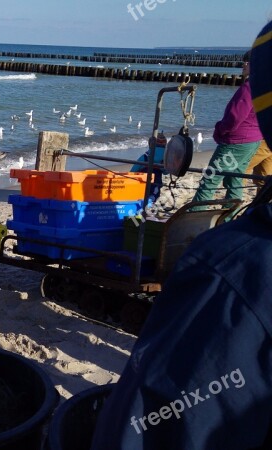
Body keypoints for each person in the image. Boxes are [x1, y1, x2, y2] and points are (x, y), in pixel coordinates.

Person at [90, 25, 272, 450]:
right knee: (224, 188)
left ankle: (200, 219)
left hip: (234, 144)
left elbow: (151, 423)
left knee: (212, 187)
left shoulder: (232, 276)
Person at [191, 50, 263, 205]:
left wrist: (221, 129)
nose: (244, 64)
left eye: (248, 62)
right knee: (235, 178)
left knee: (209, 180)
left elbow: (235, 117)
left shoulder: (249, 88)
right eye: (244, 61)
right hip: (253, 140)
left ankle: (194, 215)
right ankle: (232, 215)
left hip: (236, 142)